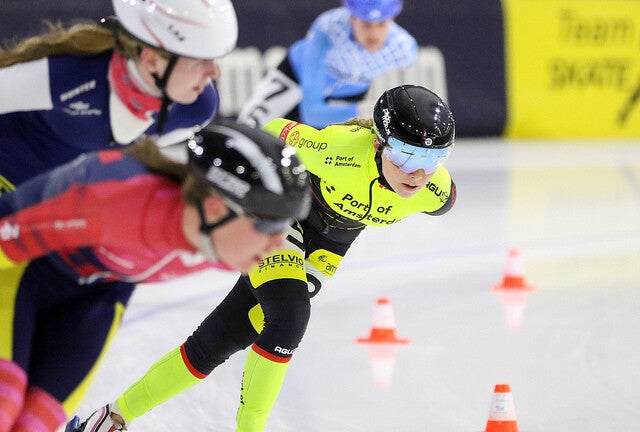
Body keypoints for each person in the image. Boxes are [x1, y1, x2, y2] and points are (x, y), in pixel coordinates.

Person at [73, 84, 457, 432]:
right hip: (285, 221)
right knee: (289, 317)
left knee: (220, 340)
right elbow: (270, 130)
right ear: (377, 144)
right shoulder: (337, 150)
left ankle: (110, 417)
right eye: (406, 156)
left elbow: (438, 186)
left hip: (328, 248)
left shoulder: (437, 192)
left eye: (434, 158)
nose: (418, 173)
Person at [0, 122, 311, 432]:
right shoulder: (117, 202)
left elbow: (233, 333)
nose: (279, 243)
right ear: (216, 209)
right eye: (269, 226)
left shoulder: (220, 241)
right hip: (24, 274)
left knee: (34, 423)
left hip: (99, 297)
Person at [0, 0, 238, 193]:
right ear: (151, 61)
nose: (214, 73)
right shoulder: (78, 74)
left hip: (48, 201)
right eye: (198, 61)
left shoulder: (198, 107)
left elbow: (125, 156)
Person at [236, 0, 417, 130]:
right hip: (296, 76)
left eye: (381, 24)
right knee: (249, 128)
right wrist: (365, 111)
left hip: (348, 92)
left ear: (392, 19)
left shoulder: (404, 49)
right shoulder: (328, 30)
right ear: (352, 17)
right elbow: (311, 113)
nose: (374, 34)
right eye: (366, 23)